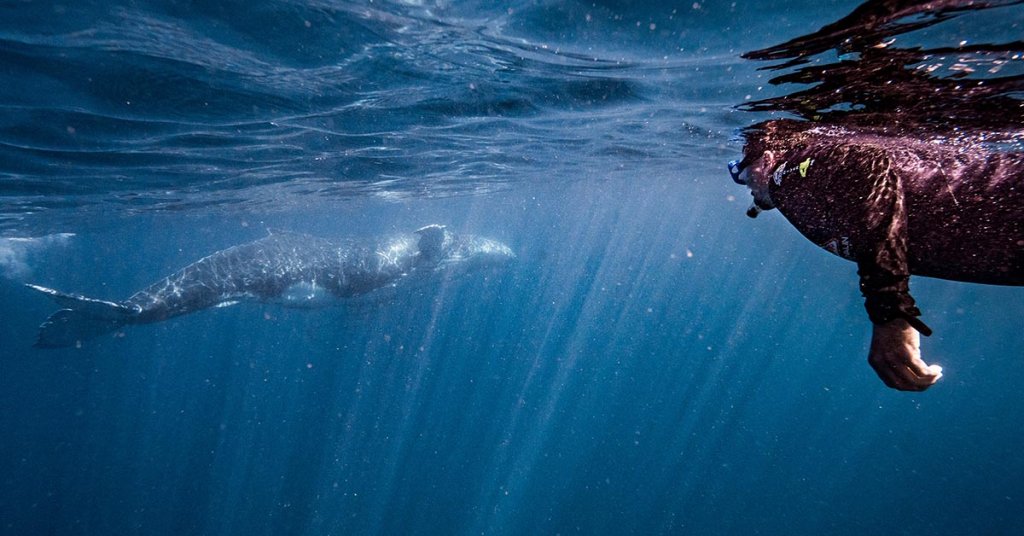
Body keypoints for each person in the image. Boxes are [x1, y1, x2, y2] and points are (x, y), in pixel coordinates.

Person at [730, 119, 1023, 391]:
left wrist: (890, 311)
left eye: (742, 172)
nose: (745, 184)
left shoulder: (786, 174)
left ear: (766, 159)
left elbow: (865, 162)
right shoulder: (796, 194)